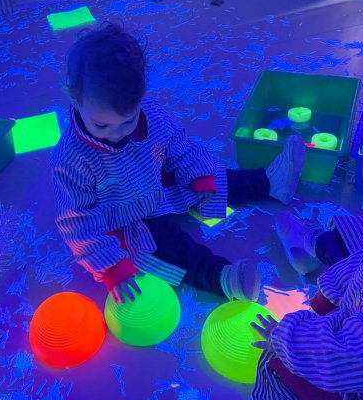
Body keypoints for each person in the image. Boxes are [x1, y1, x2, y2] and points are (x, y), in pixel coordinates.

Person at [51, 22, 306, 304]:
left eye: (128, 121)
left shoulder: (152, 115)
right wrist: (111, 267)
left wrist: (198, 176)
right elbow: (77, 221)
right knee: (168, 244)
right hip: (124, 220)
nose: (117, 133)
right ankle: (223, 278)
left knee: (213, 179)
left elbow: (179, 147)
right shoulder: (71, 159)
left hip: (157, 189)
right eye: (101, 125)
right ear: (74, 98)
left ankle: (269, 183)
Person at [252, 122, 363, 400]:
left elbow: (332, 361)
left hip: (362, 389)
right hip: (358, 318)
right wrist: (326, 300)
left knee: (278, 365)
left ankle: (314, 246)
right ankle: (314, 244)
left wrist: (283, 337)